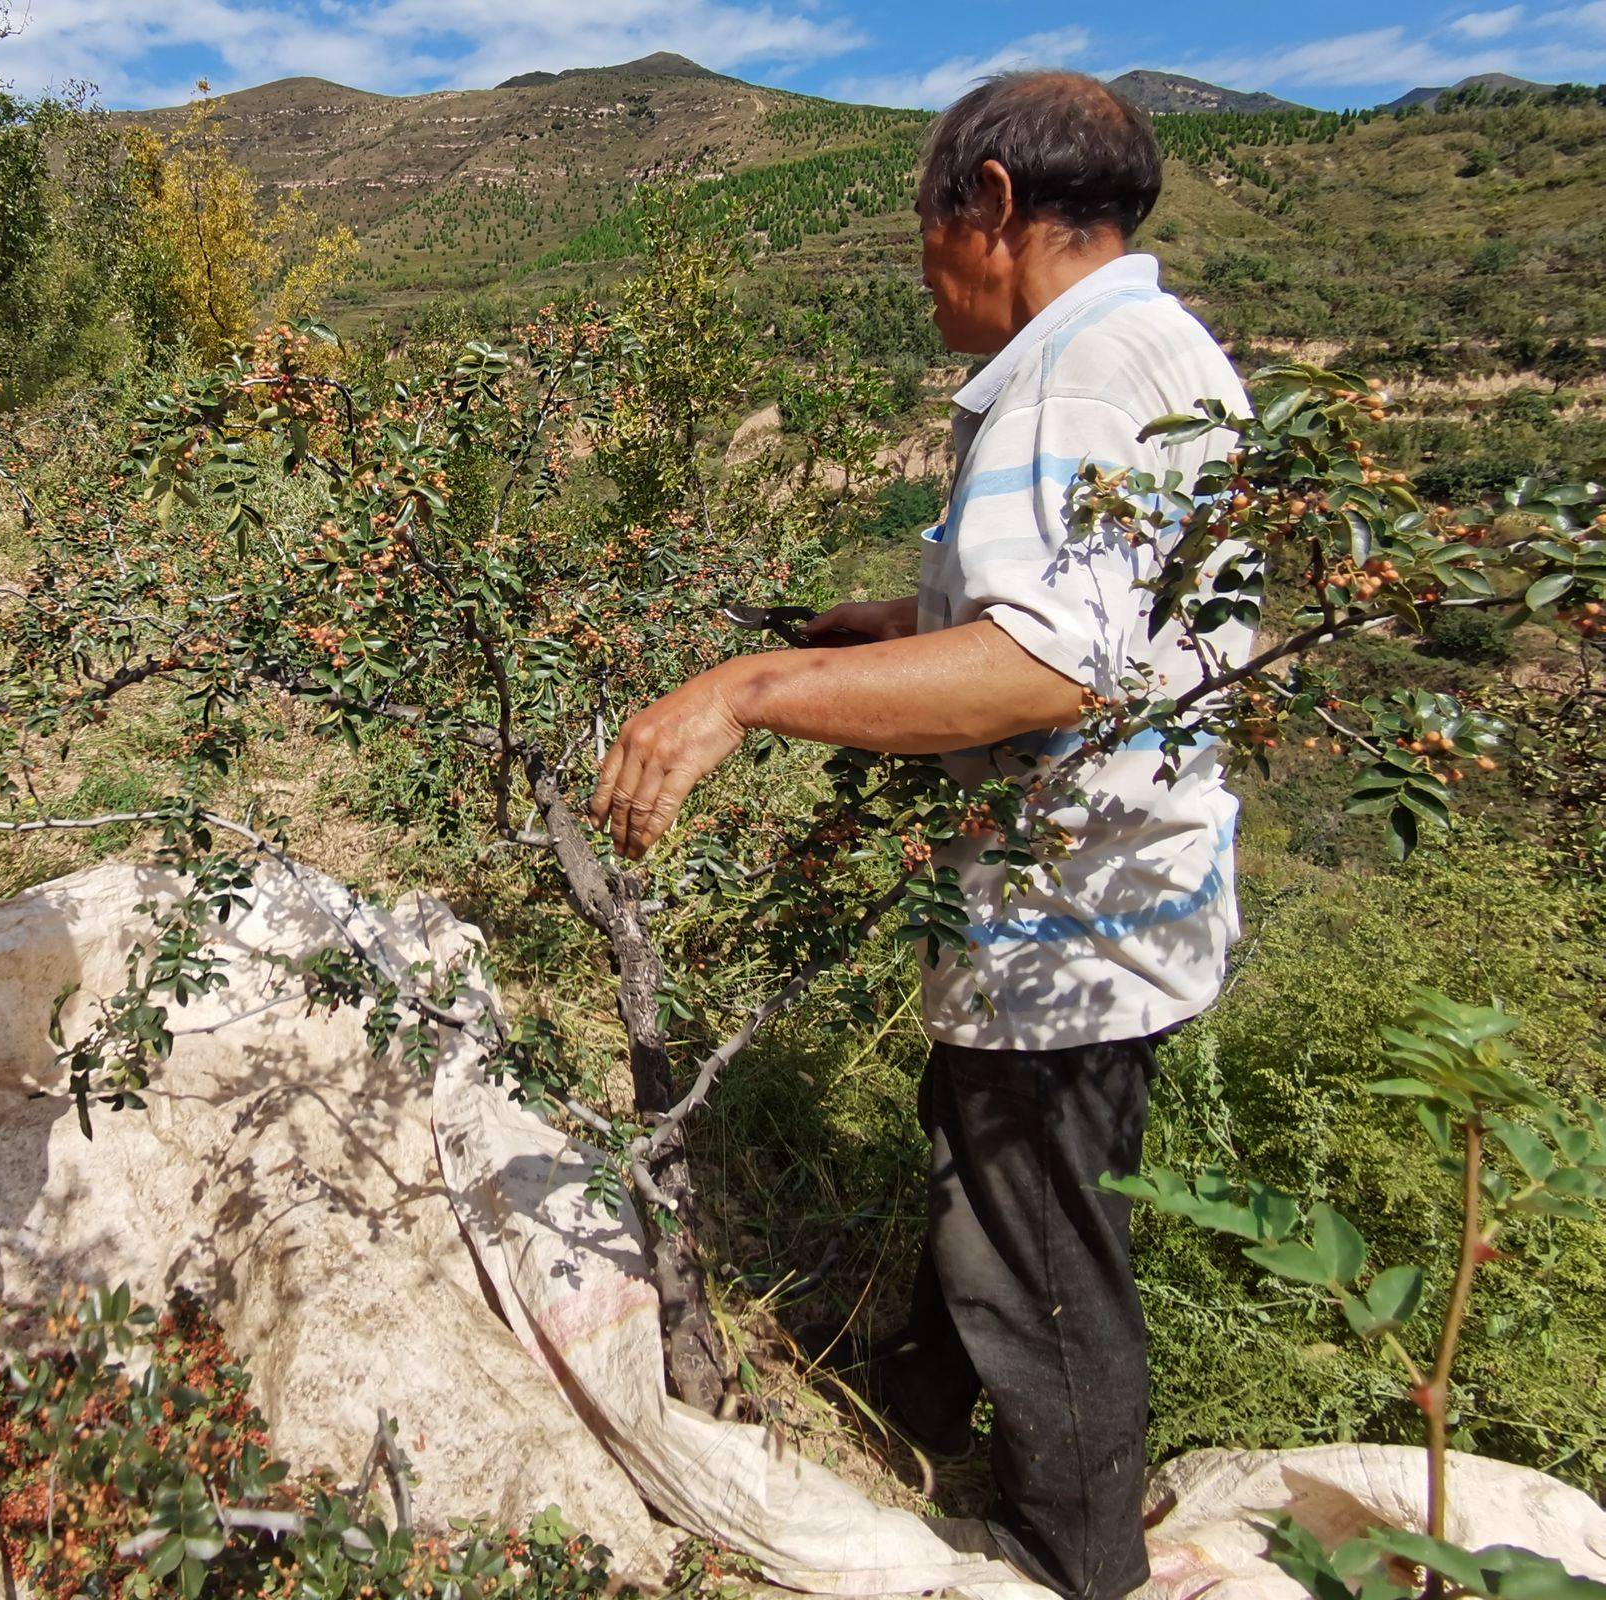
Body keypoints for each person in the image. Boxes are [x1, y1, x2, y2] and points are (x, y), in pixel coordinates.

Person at [587, 73, 1252, 1600]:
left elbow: (1051, 662)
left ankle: (1066, 1558)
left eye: (928, 230)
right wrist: (893, 630)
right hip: (1114, 898)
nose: (924, 271)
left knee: (1047, 1266)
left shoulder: (1076, 372)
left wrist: (751, 690)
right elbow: (1109, 618)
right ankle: (921, 1396)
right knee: (1004, 1176)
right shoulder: (1155, 349)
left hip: (1071, 916)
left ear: (995, 204)